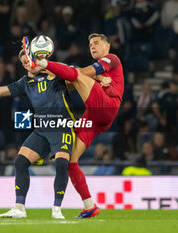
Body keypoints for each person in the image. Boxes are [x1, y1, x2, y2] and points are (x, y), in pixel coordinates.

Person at [0, 49, 73, 219]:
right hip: (41, 130)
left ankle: (57, 209)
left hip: (61, 127)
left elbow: (75, 74)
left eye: (29, 60)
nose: (27, 63)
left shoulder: (55, 74)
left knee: (62, 164)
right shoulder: (25, 82)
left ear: (38, 60)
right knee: (20, 162)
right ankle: (19, 208)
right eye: (23, 62)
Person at [25, 33, 124, 218]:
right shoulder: (100, 73)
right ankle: (89, 205)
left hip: (107, 107)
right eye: (90, 44)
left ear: (107, 46)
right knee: (70, 160)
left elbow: (82, 73)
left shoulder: (112, 58)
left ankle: (43, 61)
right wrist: (62, 73)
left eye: (96, 43)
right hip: (94, 117)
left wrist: (45, 64)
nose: (92, 47)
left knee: (77, 74)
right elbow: (75, 78)